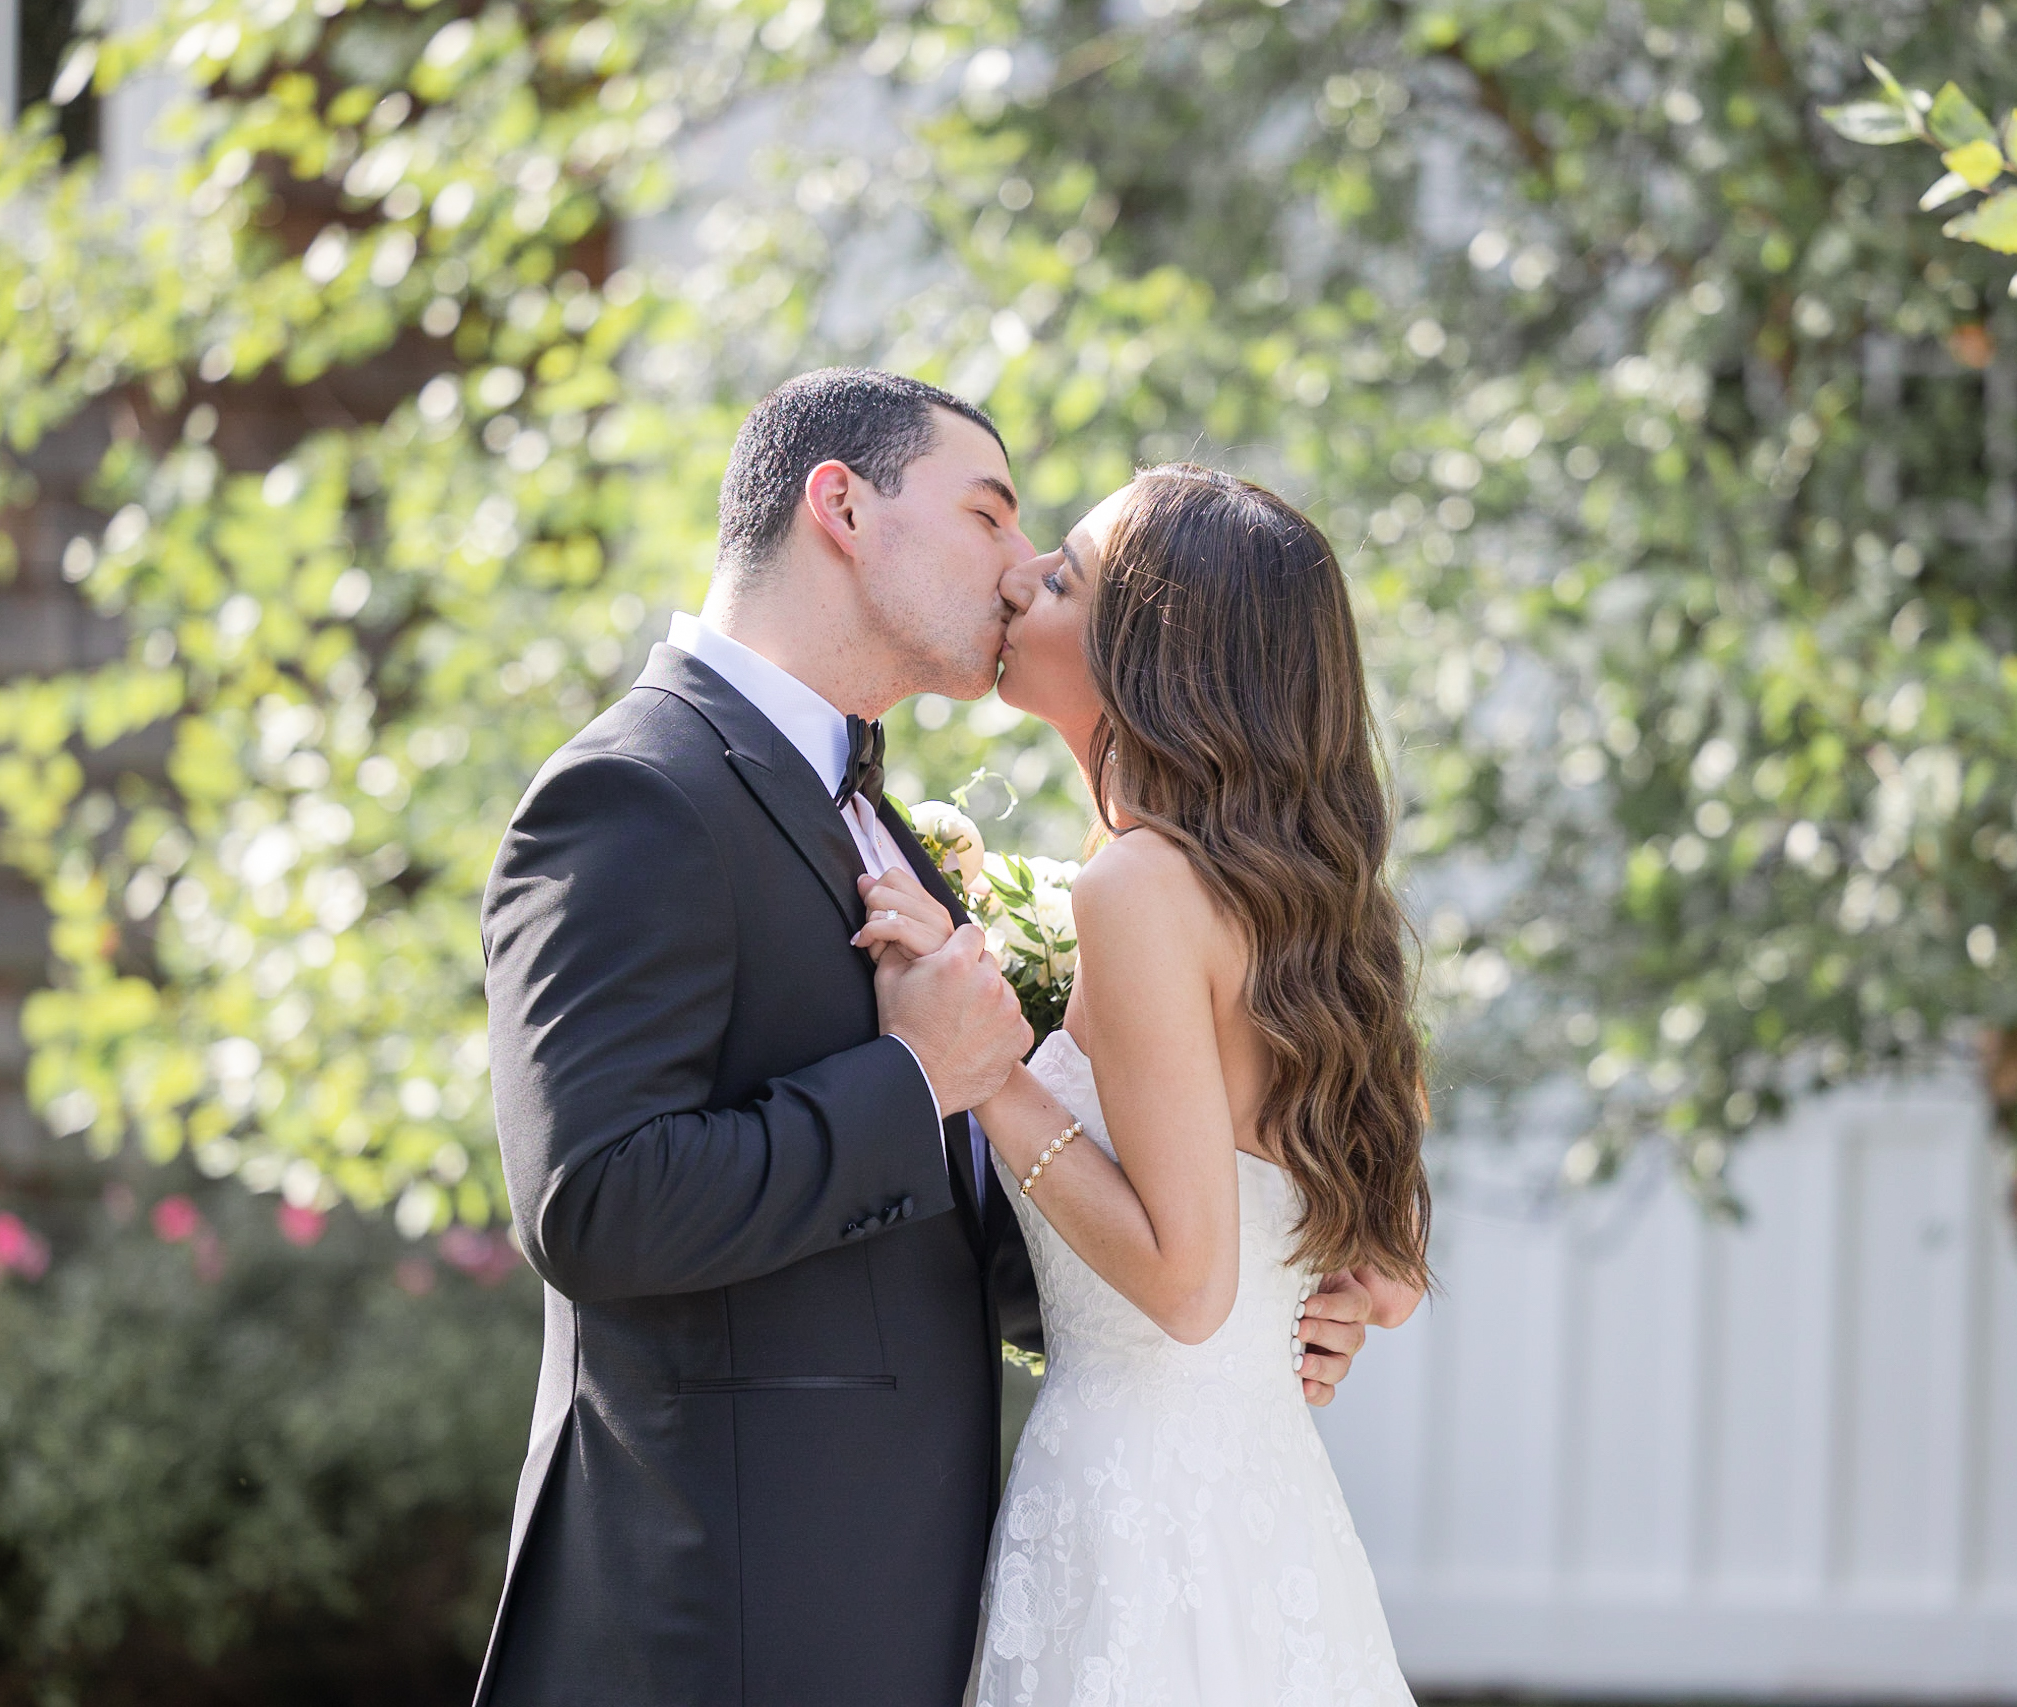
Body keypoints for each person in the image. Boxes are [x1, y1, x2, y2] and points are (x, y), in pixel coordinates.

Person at [473, 373, 1384, 1707]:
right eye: (991, 516)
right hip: (720, 1618)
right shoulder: (637, 791)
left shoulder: (892, 836)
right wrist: (919, 1077)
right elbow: (593, 1201)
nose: (1021, 571)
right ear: (840, 506)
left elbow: (940, 1233)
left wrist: (1268, 1307)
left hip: (946, 1598)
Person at [858, 464, 1432, 1706]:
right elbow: (1383, 1280)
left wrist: (985, 1066)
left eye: (1061, 577)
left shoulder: (1141, 889)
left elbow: (1184, 1286)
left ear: (1152, 656)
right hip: (1263, 1507)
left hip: (1139, 1511)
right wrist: (1314, 1302)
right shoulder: (1304, 907)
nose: (1019, 579)